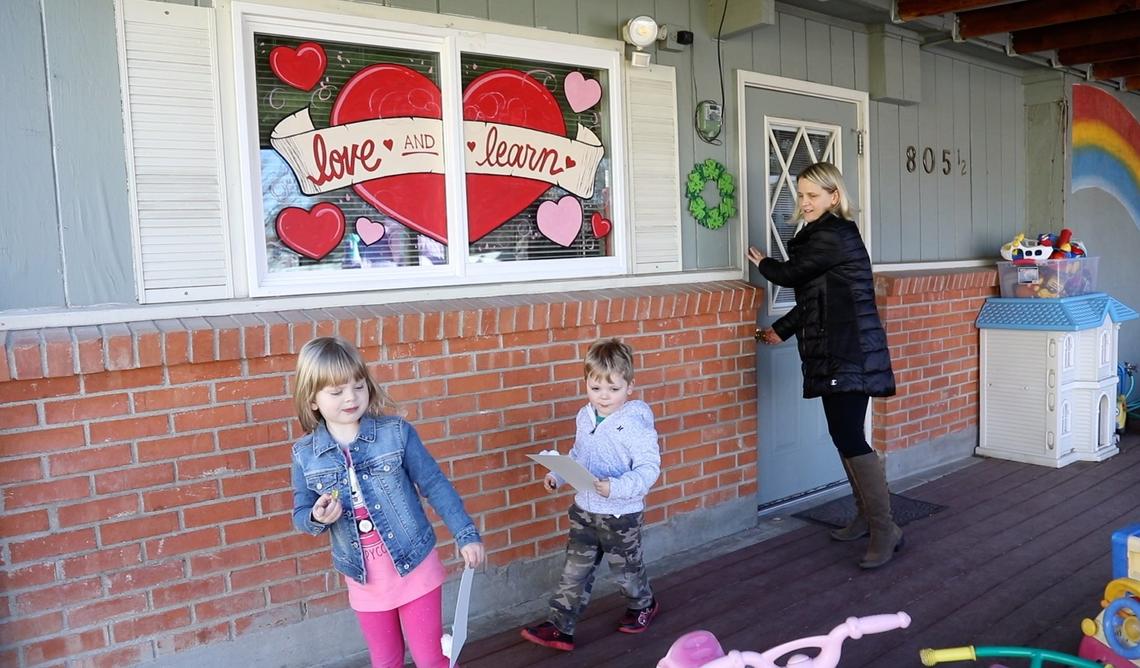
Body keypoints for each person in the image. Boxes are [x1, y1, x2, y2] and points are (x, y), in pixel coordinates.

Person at [290, 336, 485, 668]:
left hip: (416, 567)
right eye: (336, 392)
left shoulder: (396, 434)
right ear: (312, 401)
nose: (351, 397)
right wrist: (317, 517)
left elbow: (435, 485)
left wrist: (466, 534)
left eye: (358, 385)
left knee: (429, 659)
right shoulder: (305, 455)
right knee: (385, 661)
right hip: (365, 579)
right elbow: (300, 511)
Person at [746, 161, 900, 570]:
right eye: (801, 195)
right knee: (841, 434)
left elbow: (791, 274)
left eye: (813, 195)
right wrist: (781, 329)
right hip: (837, 350)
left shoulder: (834, 234)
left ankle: (886, 529)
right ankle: (867, 516)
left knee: (850, 436)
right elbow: (812, 299)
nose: (805, 202)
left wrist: (762, 264)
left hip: (851, 351)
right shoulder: (818, 237)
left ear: (834, 196)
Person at [520, 338, 662, 651]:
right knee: (574, 571)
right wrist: (557, 474)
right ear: (586, 383)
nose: (603, 397)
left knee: (626, 572)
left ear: (630, 387)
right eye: (596, 388)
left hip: (619, 515)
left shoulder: (635, 425)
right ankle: (560, 627)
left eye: (613, 389)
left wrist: (616, 487)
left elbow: (649, 469)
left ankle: (643, 605)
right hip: (585, 510)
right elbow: (579, 455)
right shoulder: (585, 417)